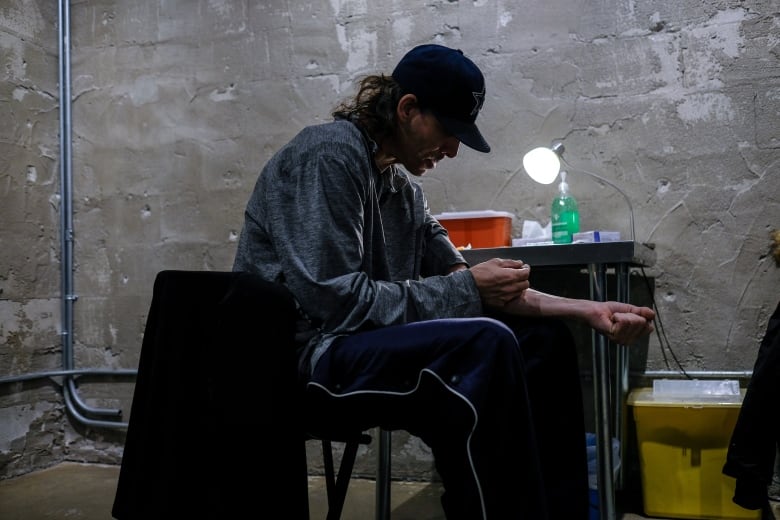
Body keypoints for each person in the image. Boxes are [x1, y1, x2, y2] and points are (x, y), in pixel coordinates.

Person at [233, 43, 655, 519]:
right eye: (449, 131)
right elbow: (336, 305)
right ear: (407, 108)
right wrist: (470, 288)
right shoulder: (327, 155)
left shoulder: (402, 191)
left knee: (544, 342)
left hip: (359, 345)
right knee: (483, 344)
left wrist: (587, 310)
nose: (453, 149)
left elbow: (475, 285)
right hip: (307, 359)